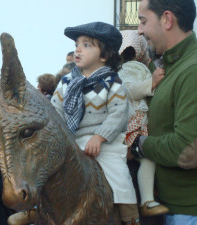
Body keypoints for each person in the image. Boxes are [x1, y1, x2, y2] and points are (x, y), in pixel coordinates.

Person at [51, 22, 139, 225]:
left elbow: (118, 113)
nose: (78, 49)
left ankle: (130, 216)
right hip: (72, 142)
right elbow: (55, 112)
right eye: (77, 44)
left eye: (87, 45)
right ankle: (38, 208)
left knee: (119, 178)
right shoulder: (66, 83)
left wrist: (99, 137)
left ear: (104, 55)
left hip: (104, 144)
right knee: (49, 172)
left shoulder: (112, 82)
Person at [135, 0, 197, 224]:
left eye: (143, 21)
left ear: (167, 20)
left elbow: (188, 150)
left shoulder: (192, 70)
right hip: (163, 208)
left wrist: (139, 145)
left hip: (186, 212)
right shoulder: (161, 67)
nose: (139, 30)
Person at [118, 30, 168, 217]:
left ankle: (144, 201)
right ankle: (146, 200)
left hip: (130, 126)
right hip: (132, 125)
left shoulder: (125, 68)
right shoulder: (132, 68)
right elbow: (130, 90)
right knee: (147, 158)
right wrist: (151, 83)